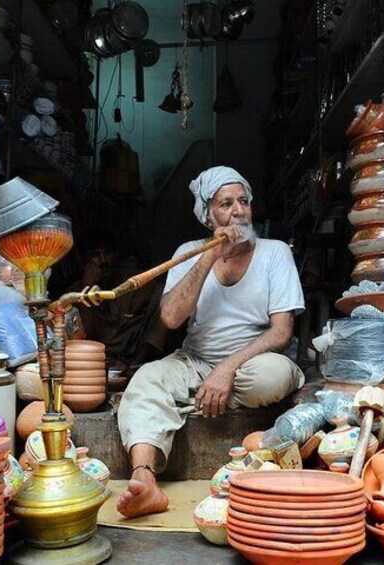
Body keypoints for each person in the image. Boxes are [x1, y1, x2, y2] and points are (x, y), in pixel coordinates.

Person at [115, 166, 305, 518]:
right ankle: (145, 480)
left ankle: (191, 401)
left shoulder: (274, 252)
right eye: (226, 203)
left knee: (271, 377)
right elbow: (171, 318)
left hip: (254, 362)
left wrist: (227, 368)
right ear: (207, 216)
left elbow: (282, 332)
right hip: (195, 362)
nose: (238, 211)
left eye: (244, 201)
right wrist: (209, 255)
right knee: (145, 380)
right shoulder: (189, 251)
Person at [67, 230, 167, 368]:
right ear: (84, 261)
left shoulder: (132, 281)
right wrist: (87, 287)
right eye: (95, 255)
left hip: (136, 357)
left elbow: (150, 326)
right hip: (97, 359)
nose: (103, 261)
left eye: (107, 253)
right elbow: (82, 337)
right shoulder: (73, 294)